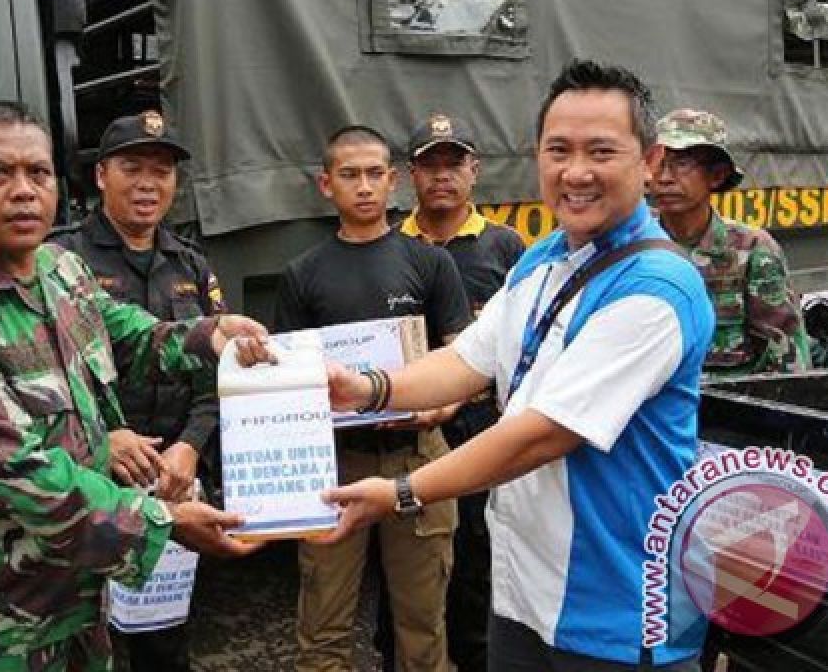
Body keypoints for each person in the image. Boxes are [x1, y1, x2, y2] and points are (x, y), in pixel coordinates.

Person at [298, 60, 714, 671]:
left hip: (616, 612)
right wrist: (364, 388)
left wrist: (400, 492)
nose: (576, 172)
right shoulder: (543, 258)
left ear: (648, 161)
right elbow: (467, 360)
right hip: (526, 595)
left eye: (601, 151)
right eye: (558, 150)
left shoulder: (656, 288)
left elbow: (542, 433)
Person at [0, 101, 271, 671]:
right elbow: (18, 472)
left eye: (38, 173)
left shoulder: (60, 271)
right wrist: (165, 523)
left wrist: (211, 335)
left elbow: (128, 334)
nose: (24, 191)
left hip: (79, 603)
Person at [273, 125, 470, 672]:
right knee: (323, 625)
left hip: (417, 459)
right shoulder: (302, 274)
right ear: (325, 184)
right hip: (335, 464)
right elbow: (287, 380)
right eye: (349, 174)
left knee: (422, 625)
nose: (364, 186)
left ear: (394, 180)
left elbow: (461, 360)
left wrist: (441, 406)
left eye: (375, 174)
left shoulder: (430, 263)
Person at [51, 110, 225, 672]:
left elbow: (214, 374)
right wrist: (105, 437)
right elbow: (44, 376)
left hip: (170, 476)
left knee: (163, 637)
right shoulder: (61, 260)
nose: (149, 183)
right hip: (87, 476)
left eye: (162, 171)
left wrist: (190, 446)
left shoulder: (190, 264)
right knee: (80, 628)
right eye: (133, 167)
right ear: (102, 176)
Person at [400, 113, 525, 672]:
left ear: (475, 172)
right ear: (411, 175)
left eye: (454, 164)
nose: (442, 176)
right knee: (407, 571)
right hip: (408, 427)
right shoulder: (387, 244)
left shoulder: (505, 246)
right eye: (430, 165)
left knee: (477, 564)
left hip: (480, 427)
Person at [650, 108, 810, 378]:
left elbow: (787, 360)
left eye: (682, 164)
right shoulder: (635, 247)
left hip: (730, 412)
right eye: (658, 164)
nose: (664, 178)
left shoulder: (752, 251)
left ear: (716, 175)